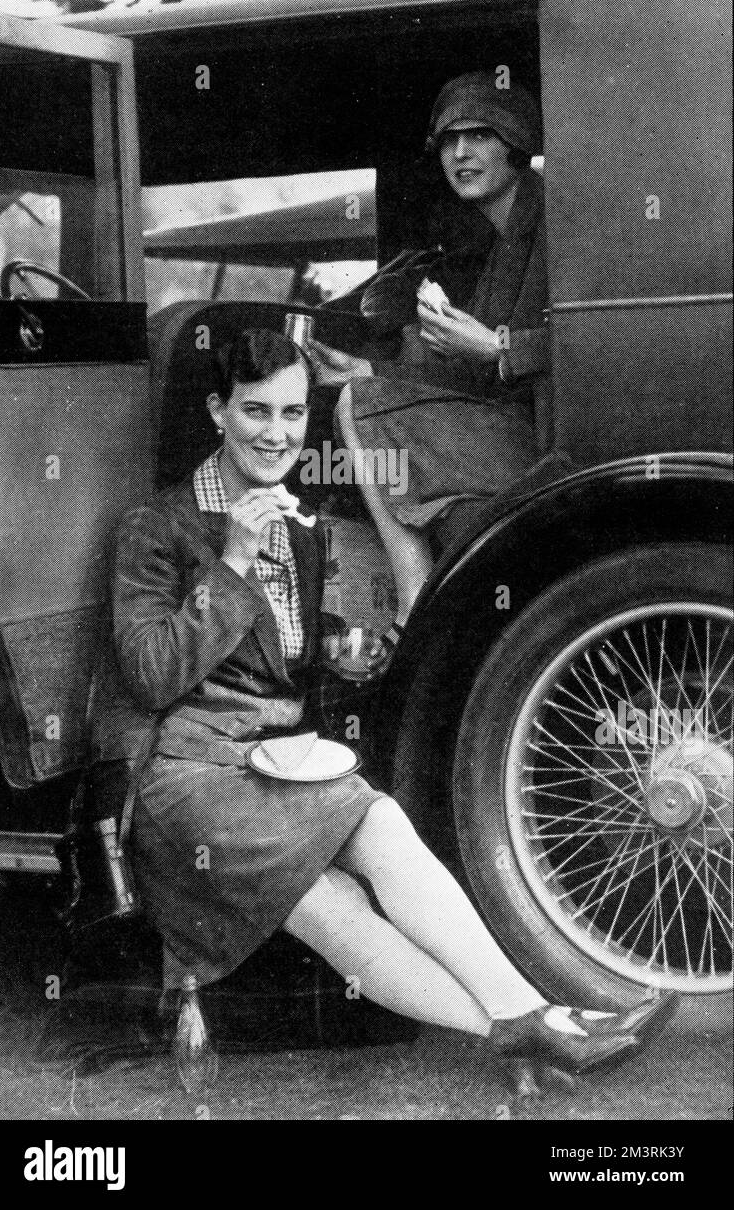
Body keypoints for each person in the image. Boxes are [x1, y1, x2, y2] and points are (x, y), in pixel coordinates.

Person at [91, 328, 671, 1076]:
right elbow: (148, 675)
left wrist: (333, 652)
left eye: (294, 414)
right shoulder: (159, 526)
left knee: (378, 822)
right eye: (256, 412)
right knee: (330, 903)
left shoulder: (293, 524)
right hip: (183, 780)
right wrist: (233, 561)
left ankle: (532, 1024)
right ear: (217, 411)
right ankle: (539, 1022)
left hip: (265, 768)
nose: (277, 435)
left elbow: (272, 666)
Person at [311, 71, 554, 667]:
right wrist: (369, 366)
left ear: (514, 144)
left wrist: (498, 347)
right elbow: (465, 377)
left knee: (357, 408)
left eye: (479, 135)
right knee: (361, 397)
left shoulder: (554, 221)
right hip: (510, 427)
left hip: (553, 442)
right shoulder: (502, 237)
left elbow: (592, 339)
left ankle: (413, 599)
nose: (460, 154)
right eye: (448, 141)